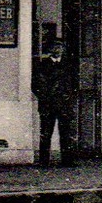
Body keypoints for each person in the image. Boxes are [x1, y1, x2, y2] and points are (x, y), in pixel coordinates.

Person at [31, 37, 78, 167]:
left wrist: (69, 97)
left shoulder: (68, 65)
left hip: (64, 104)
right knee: (46, 133)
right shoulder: (41, 65)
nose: (58, 49)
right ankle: (44, 161)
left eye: (60, 47)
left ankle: (67, 160)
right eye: (55, 46)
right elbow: (35, 85)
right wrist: (44, 97)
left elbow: (75, 84)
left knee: (66, 133)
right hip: (48, 105)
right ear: (50, 49)